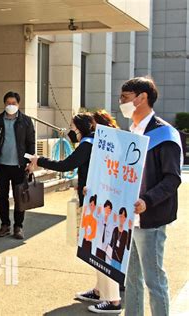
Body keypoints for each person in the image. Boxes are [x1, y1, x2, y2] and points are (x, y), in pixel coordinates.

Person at [119, 77, 182, 316]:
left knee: (154, 281)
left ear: (142, 98)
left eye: (125, 97)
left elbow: (172, 178)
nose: (121, 102)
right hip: (128, 218)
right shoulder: (132, 132)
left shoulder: (165, 134)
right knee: (132, 279)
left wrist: (147, 200)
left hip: (150, 219)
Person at [76, 111, 123, 314]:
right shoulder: (106, 143)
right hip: (99, 201)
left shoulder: (110, 144)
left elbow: (111, 174)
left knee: (105, 251)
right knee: (96, 249)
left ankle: (113, 300)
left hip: (107, 204)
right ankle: (99, 290)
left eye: (92, 125)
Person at [0, 91, 36, 239]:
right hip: (1, 165)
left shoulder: (26, 121)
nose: (11, 106)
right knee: (2, 196)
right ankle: (5, 225)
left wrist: (31, 163)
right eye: (8, 103)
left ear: (18, 104)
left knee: (20, 197)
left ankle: (18, 226)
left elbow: (30, 143)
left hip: (20, 166)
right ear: (4, 104)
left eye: (14, 103)